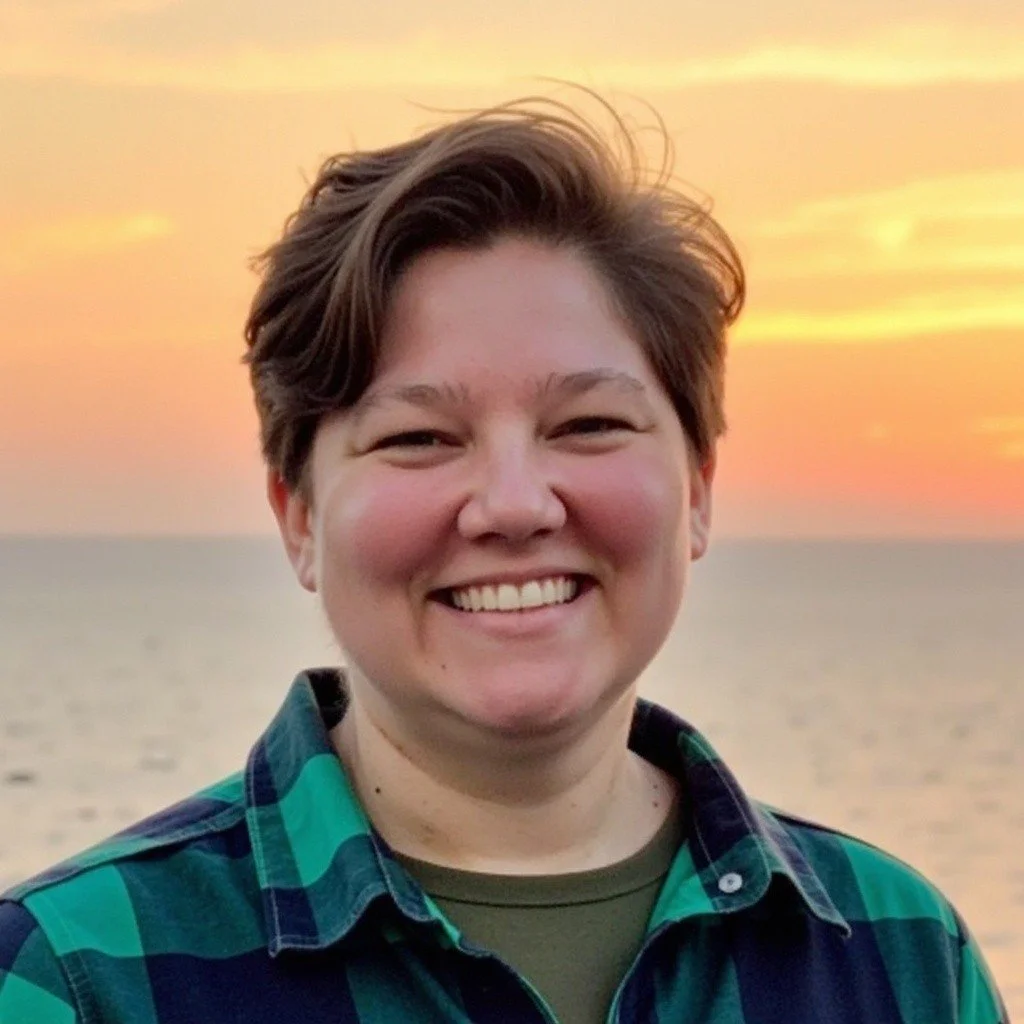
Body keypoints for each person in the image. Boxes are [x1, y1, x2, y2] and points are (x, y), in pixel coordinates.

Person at [0, 94, 1008, 1024]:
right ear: (297, 514)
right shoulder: (74, 976)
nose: (516, 504)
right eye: (419, 439)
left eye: (588, 423)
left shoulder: (900, 958)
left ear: (695, 488)